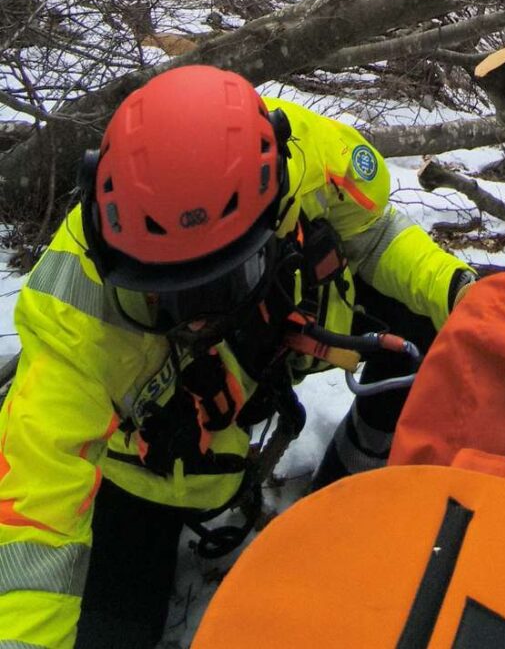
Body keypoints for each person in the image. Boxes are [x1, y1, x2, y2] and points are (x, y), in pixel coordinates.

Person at [0, 65, 475, 649]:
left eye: (215, 287)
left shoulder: (301, 161)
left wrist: (458, 288)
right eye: (168, 294)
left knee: (426, 312)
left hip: (269, 353)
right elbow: (35, 520)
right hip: (146, 472)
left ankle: (356, 465)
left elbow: (375, 238)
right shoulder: (74, 322)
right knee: (113, 631)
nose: (197, 316)